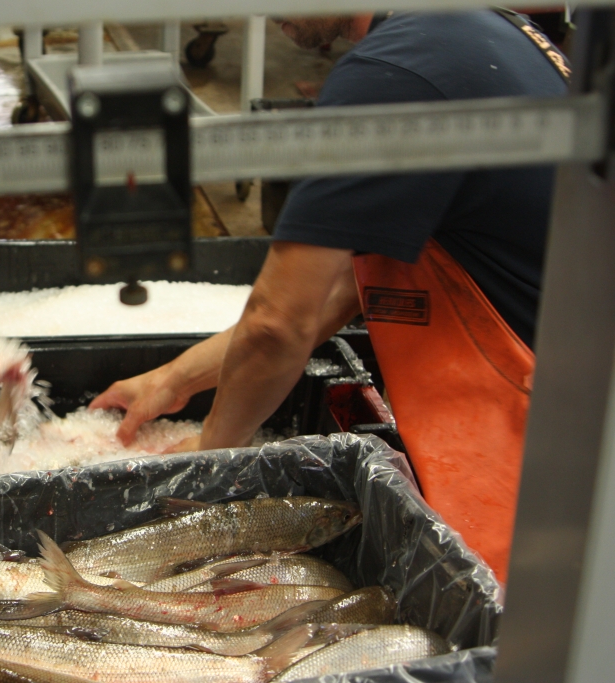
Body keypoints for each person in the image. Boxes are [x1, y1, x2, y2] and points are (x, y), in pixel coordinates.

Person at [91, 10, 569, 583]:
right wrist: (172, 381)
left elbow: (279, 323)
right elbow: (337, 291)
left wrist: (212, 456)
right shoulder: (478, 28)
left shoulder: (389, 77)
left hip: (542, 449)